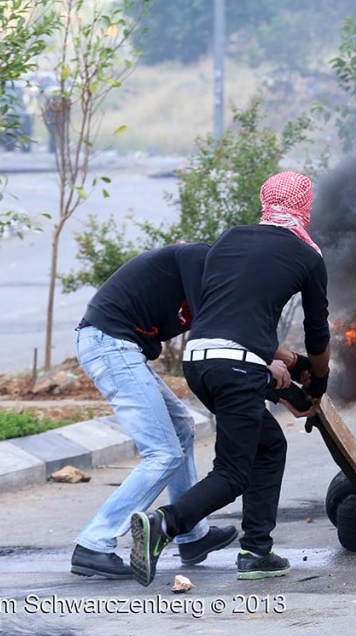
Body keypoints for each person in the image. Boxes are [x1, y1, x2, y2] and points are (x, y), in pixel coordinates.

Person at [129, 171, 331, 587]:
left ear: (265, 200)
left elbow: (232, 319)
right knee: (232, 473)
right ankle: (164, 525)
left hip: (199, 361)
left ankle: (256, 550)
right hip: (238, 365)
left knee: (269, 445)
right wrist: (318, 380)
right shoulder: (308, 257)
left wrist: (287, 387)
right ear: (305, 207)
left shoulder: (230, 238)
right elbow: (318, 335)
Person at [71, 243, 237, 579]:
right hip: (110, 345)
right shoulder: (199, 258)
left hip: (119, 347)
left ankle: (191, 535)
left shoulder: (210, 276)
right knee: (162, 452)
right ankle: (94, 543)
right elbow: (212, 327)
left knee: (181, 428)